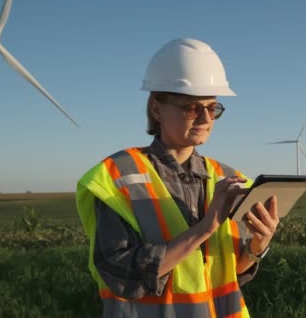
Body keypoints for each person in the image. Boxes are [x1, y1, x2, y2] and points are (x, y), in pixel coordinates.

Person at [76, 38, 279, 318]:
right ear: (156, 107)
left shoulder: (230, 178)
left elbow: (232, 272)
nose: (206, 118)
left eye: (213, 108)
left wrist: (258, 245)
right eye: (192, 108)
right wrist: (204, 229)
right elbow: (121, 275)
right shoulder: (118, 177)